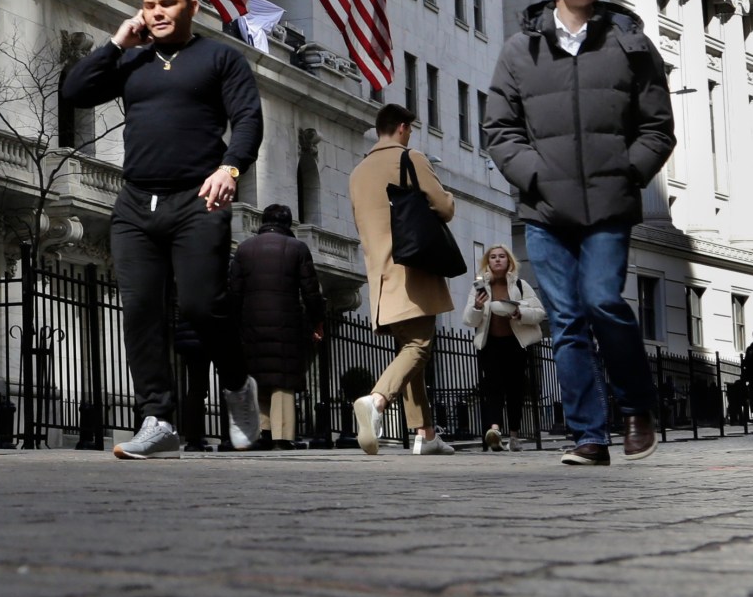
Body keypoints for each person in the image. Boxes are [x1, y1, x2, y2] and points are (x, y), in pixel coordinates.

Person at [483, 0, 677, 467]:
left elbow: (658, 128)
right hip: (545, 210)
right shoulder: (520, 51)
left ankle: (638, 407)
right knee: (566, 321)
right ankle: (589, 435)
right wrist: (536, 176)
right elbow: (499, 128)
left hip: (608, 208)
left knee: (603, 302)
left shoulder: (629, 43)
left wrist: (626, 172)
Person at [61, 0, 265, 459]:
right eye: (149, 5)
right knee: (139, 312)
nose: (155, 12)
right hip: (135, 203)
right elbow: (75, 90)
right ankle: (158, 419)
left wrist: (230, 168)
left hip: (197, 200)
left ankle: (237, 384)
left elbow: (249, 119)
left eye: (167, 4)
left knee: (200, 307)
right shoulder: (131, 59)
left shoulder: (220, 58)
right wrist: (116, 42)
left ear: (192, 7)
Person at [349, 103, 461, 456]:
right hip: (412, 267)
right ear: (401, 127)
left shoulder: (357, 172)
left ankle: (426, 435)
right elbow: (443, 208)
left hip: (380, 272)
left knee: (409, 349)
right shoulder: (410, 157)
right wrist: (450, 197)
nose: (410, 133)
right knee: (420, 346)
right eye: (410, 128)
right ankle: (377, 401)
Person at [226, 203, 325, 450]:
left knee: (258, 374)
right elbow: (311, 291)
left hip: (251, 321)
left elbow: (234, 292)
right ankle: (283, 436)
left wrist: (234, 323)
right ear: (288, 224)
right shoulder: (298, 248)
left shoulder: (245, 249)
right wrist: (317, 321)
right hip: (287, 322)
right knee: (283, 379)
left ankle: (263, 433)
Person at [465, 243, 539, 451]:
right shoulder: (479, 288)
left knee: (515, 390)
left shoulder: (521, 286)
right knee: (493, 387)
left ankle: (514, 435)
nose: (497, 260)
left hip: (515, 343)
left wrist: (520, 313)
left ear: (509, 261)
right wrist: (477, 307)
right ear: (487, 262)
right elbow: (469, 320)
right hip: (490, 344)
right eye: (493, 257)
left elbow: (539, 312)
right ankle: (495, 431)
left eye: (502, 256)